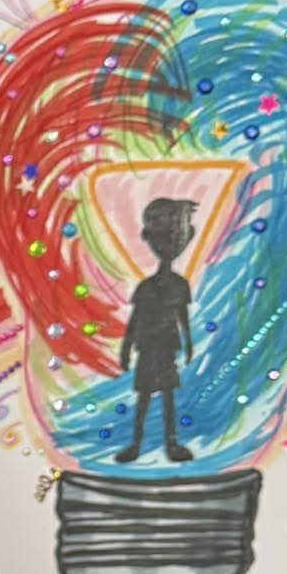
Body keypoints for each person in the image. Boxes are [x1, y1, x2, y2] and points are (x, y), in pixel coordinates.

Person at [114, 195, 197, 466]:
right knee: (145, 397)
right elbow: (134, 320)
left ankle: (171, 443)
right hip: (148, 347)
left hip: (166, 348)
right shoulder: (146, 287)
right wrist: (126, 349)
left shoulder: (180, 285)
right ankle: (136, 443)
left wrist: (188, 344)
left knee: (168, 397)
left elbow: (183, 317)